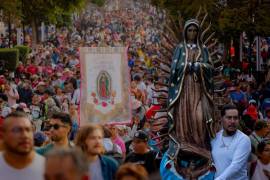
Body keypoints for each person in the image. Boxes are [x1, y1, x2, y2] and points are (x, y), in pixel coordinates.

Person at [164, 18, 218, 179]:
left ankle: (200, 147)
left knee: (199, 117)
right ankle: (184, 147)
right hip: (183, 90)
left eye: (195, 30)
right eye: (190, 30)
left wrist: (198, 66)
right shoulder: (180, 48)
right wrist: (186, 66)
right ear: (185, 32)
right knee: (184, 118)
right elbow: (174, 69)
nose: (192, 33)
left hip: (199, 89)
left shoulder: (204, 48)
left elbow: (210, 68)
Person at [0, 111, 45, 180]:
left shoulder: (46, 168)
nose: (25, 135)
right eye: (17, 130)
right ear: (3, 135)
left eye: (28, 130)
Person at [211, 104, 251, 180]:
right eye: (229, 118)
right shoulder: (215, 138)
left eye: (235, 118)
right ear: (221, 119)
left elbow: (236, 166)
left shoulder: (244, 139)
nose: (232, 121)